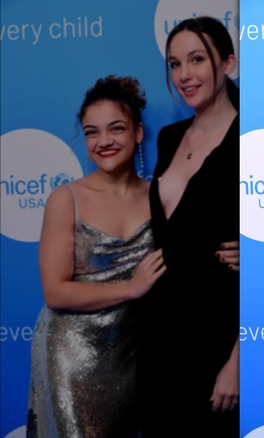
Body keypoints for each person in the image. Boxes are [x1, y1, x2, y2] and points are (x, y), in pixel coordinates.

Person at [27, 75, 166, 437]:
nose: (103, 141)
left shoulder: (160, 196)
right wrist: (131, 288)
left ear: (138, 132)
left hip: (133, 358)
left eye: (115, 128)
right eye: (92, 132)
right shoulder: (66, 198)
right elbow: (55, 292)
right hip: (70, 357)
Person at [135, 16, 240, 437]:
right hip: (160, 330)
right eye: (175, 64)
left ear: (228, 62)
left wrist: (236, 361)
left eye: (197, 59)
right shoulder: (168, 137)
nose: (184, 75)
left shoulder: (246, 137)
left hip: (216, 333)